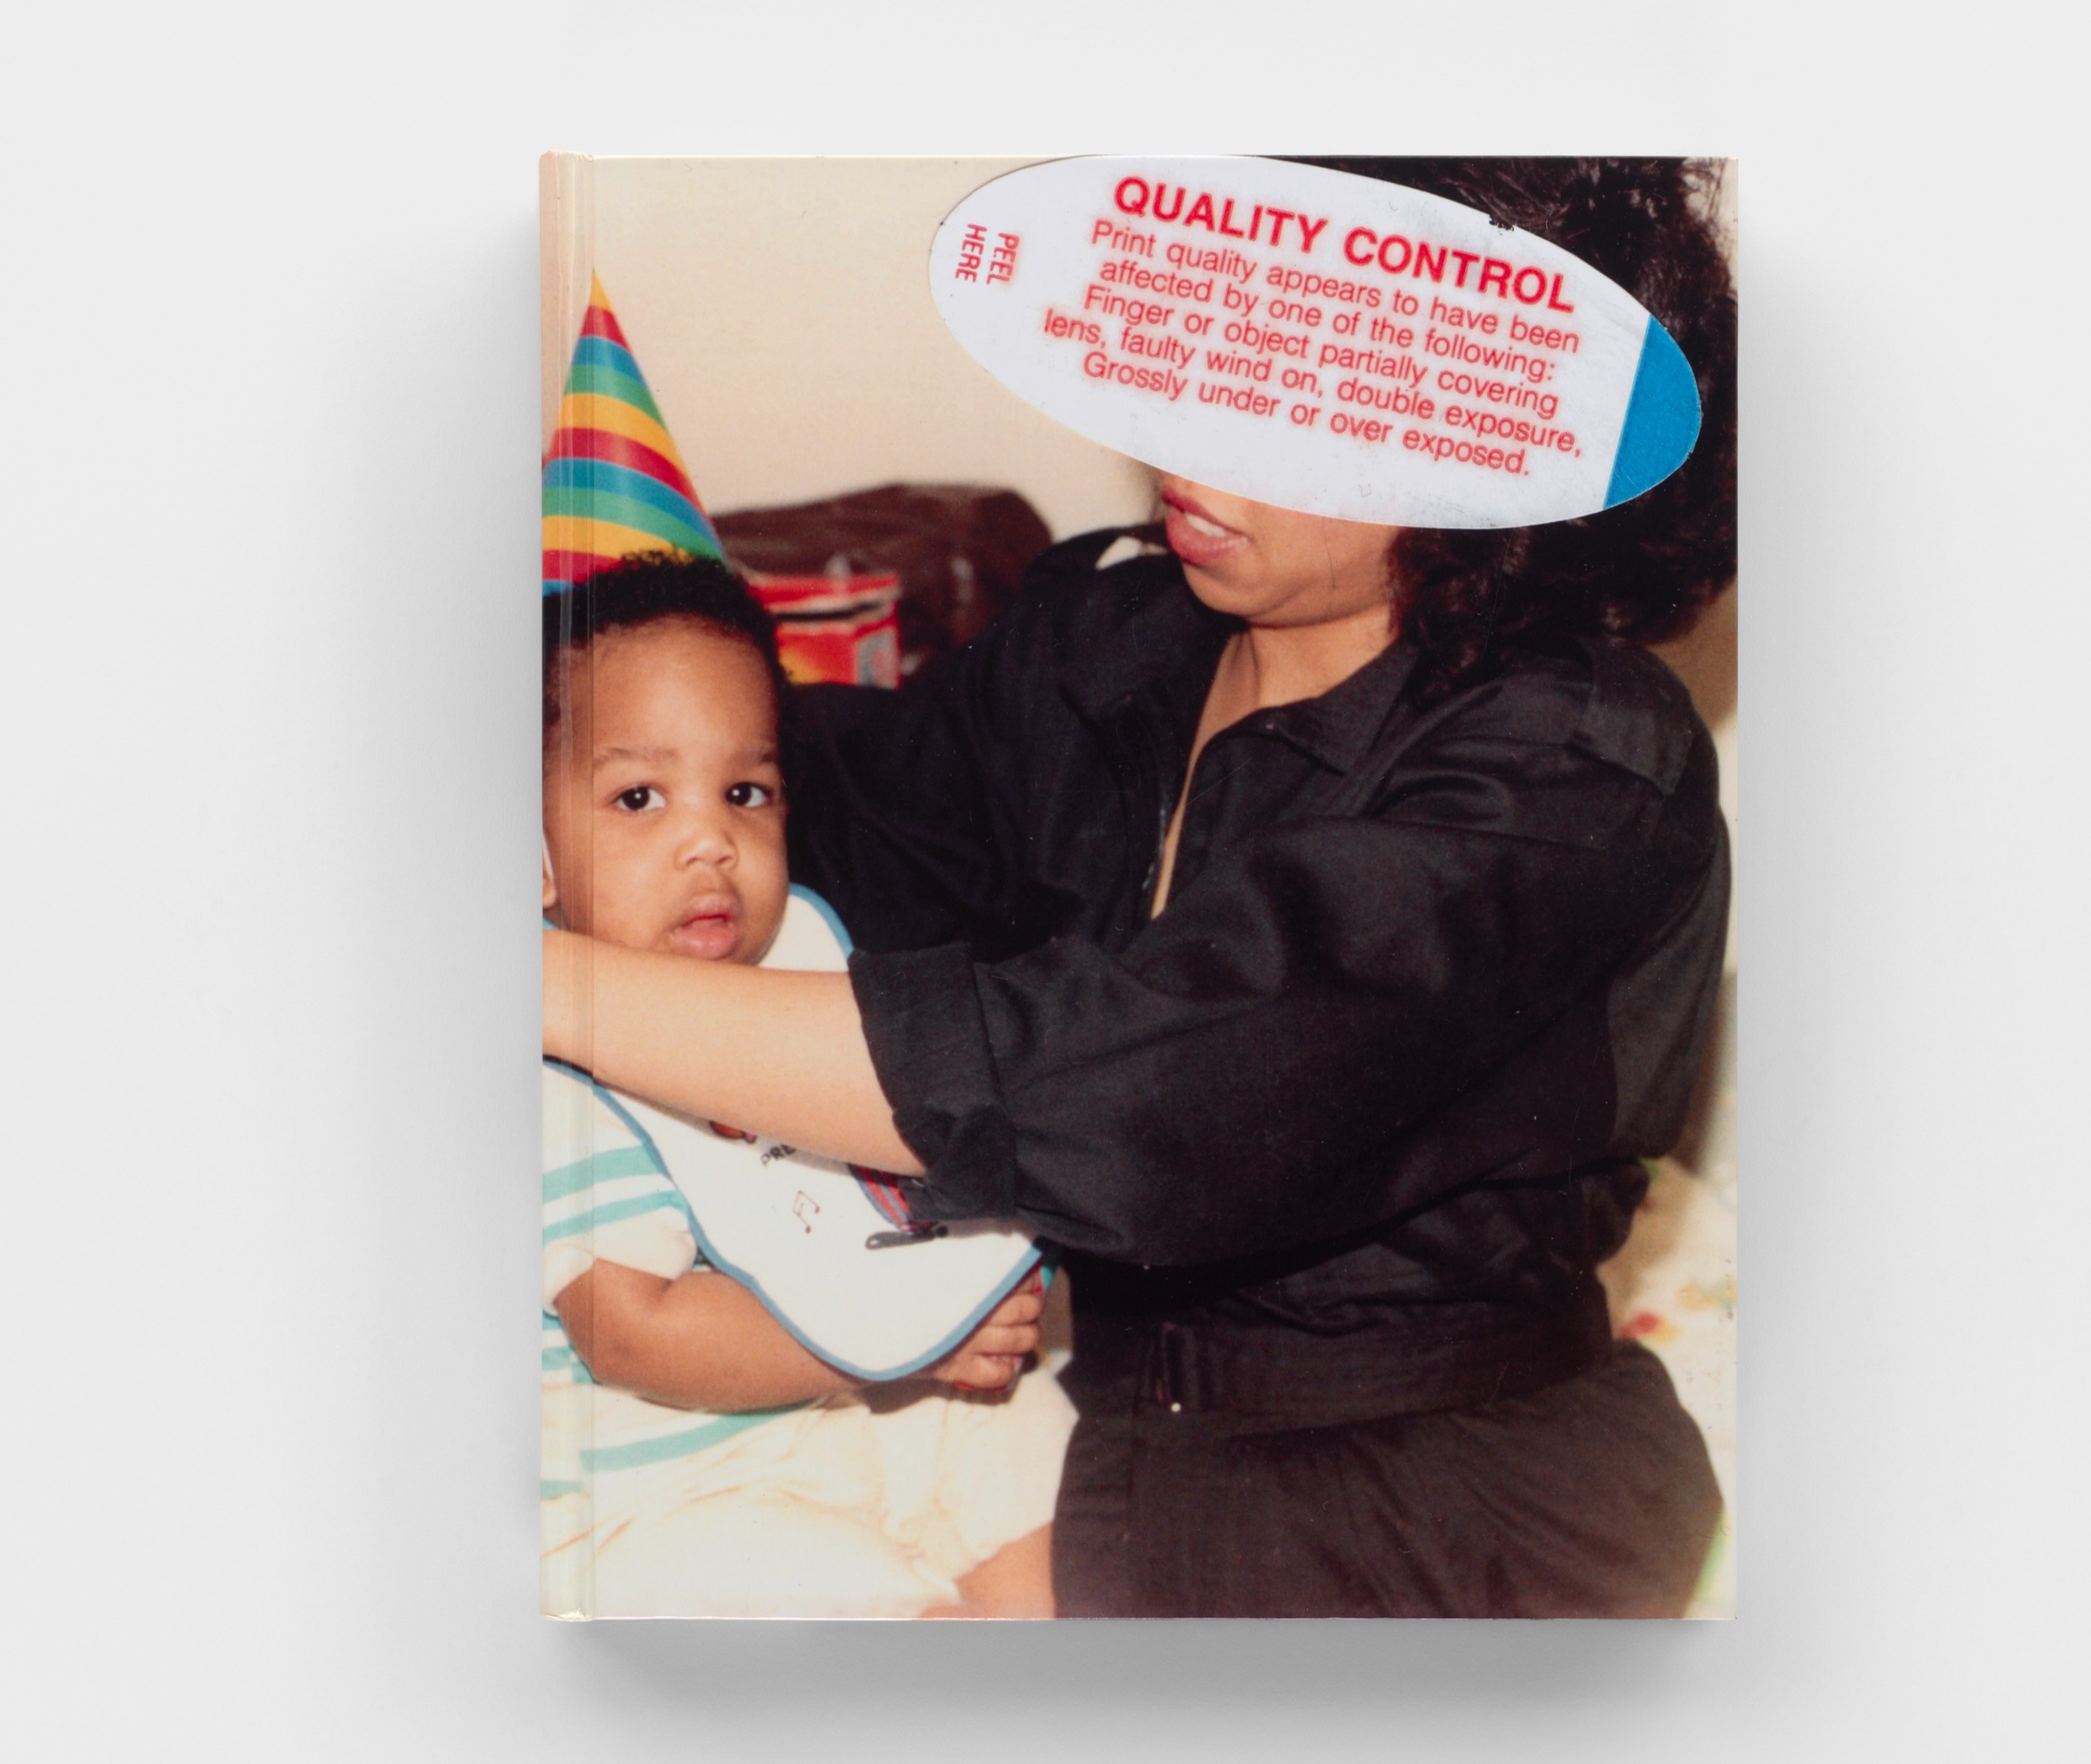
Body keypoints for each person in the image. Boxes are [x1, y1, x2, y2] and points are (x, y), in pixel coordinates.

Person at [542, 158, 1737, 1617]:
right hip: (1091, 1428)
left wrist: (544, 984)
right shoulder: (1109, 641)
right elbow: (824, 797)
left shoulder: (1572, 764)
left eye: (1289, 395)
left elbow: (1141, 1087)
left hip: (1430, 1494)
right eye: (1207, 347)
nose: (1190, 428)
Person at [539, 554, 1075, 1619]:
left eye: (746, 792)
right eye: (638, 798)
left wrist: (959, 1295)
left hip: (861, 1405)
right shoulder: (551, 1082)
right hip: (668, 1494)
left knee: (1022, 1442)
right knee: (839, 1606)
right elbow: (638, 1331)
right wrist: (907, 1337)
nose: (710, 839)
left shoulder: (802, 986)